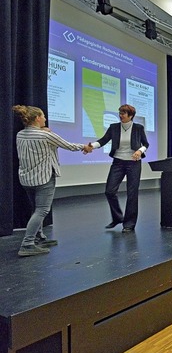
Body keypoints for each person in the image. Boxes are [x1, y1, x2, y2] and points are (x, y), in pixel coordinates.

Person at [12, 105, 91, 257]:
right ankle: (27, 244)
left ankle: (39, 237)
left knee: (36, 208)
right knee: (42, 210)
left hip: (26, 178)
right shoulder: (46, 136)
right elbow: (69, 146)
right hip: (44, 178)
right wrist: (85, 147)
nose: (45, 119)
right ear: (37, 118)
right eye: (43, 116)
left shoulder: (20, 134)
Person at [88, 104, 149, 233]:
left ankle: (129, 224)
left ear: (131, 115)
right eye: (120, 113)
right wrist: (91, 146)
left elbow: (146, 144)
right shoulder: (114, 127)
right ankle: (117, 217)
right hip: (118, 162)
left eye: (123, 113)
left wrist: (139, 150)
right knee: (109, 191)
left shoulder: (138, 128)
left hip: (134, 163)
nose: (120, 115)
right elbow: (103, 140)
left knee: (132, 194)